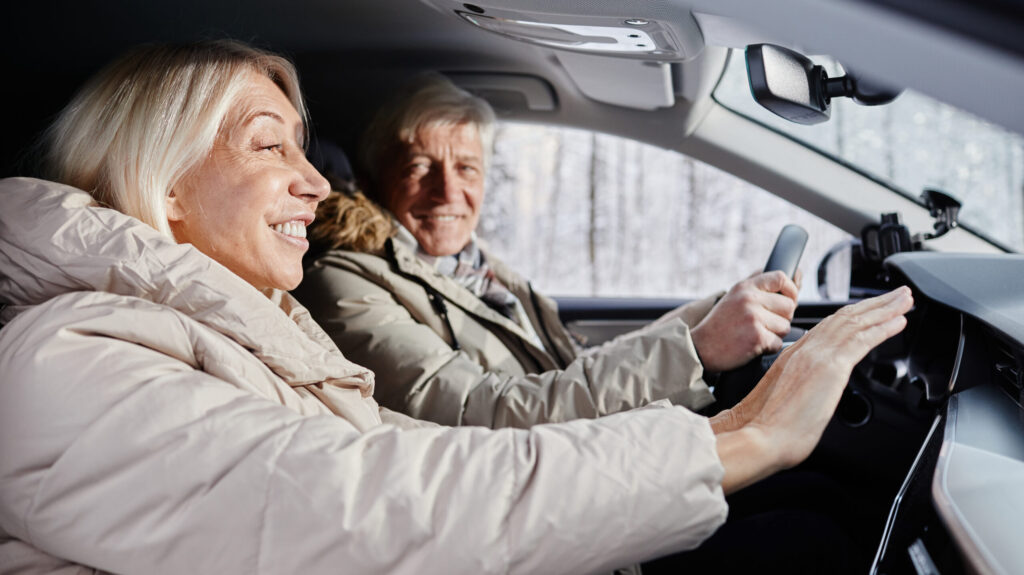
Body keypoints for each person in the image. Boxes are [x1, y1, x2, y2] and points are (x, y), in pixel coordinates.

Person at [0, 40, 912, 574]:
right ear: (162, 188)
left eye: (469, 168)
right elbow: (394, 489)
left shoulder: (250, 322)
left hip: (550, 504)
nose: (315, 183)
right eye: (268, 145)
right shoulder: (67, 360)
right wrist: (742, 431)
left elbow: (398, 454)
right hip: (519, 512)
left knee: (822, 509)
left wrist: (692, 344)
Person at [295, 73, 804, 429]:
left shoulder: (473, 267)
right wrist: (695, 352)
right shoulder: (343, 280)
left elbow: (567, 371)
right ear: (372, 180)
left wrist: (707, 317)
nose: (448, 193)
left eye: (467, 168)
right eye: (419, 168)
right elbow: (482, 413)